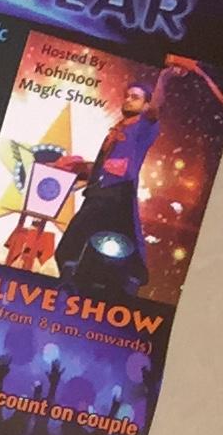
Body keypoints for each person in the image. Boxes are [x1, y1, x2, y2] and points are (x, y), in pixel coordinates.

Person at [55, 80, 158, 295]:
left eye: (135, 97)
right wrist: (79, 170)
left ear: (147, 104)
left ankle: (120, 282)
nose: (128, 100)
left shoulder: (144, 127)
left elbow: (156, 108)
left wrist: (165, 77)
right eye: (127, 96)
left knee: (77, 241)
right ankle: (74, 282)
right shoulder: (117, 131)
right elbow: (104, 165)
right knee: (86, 244)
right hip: (100, 193)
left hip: (116, 193)